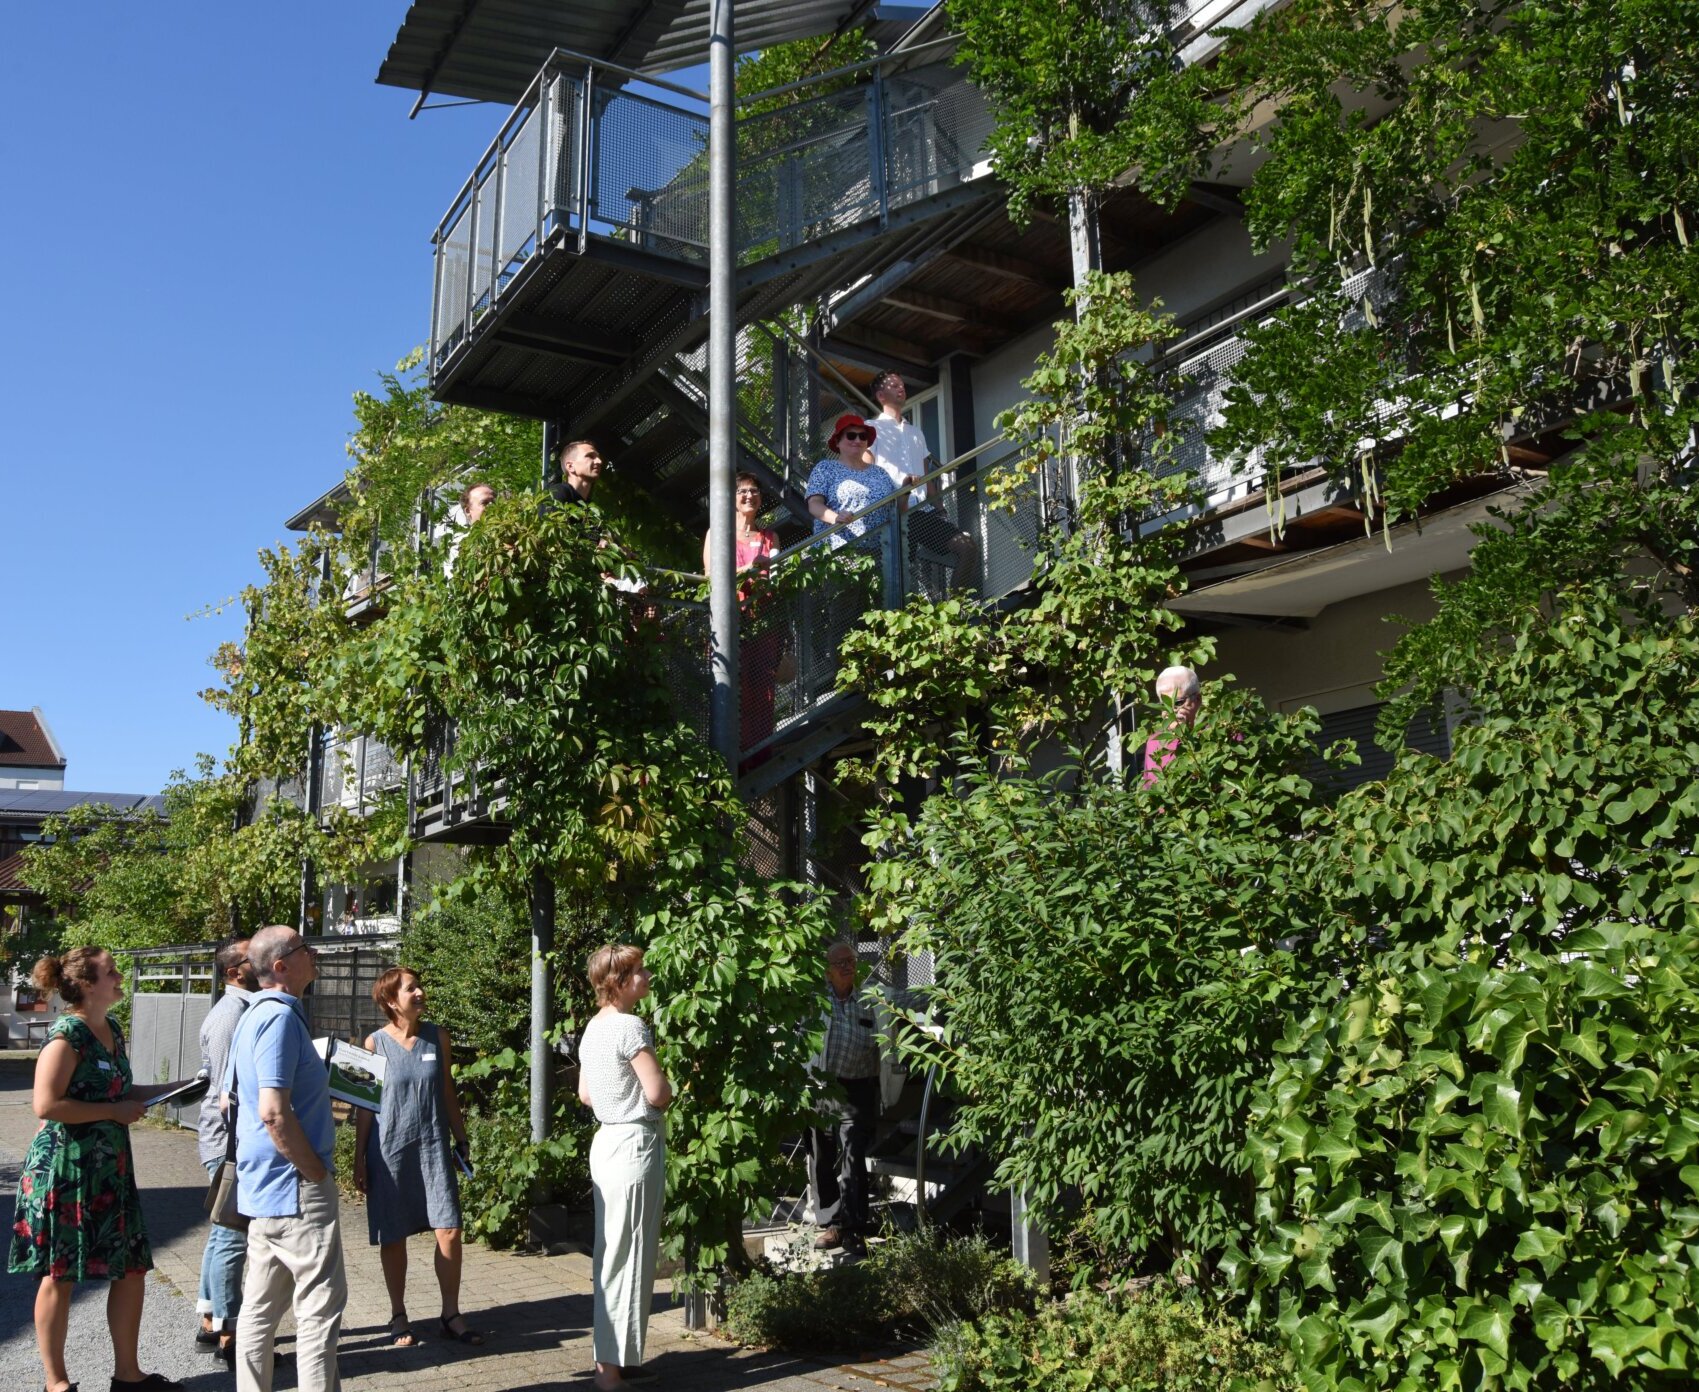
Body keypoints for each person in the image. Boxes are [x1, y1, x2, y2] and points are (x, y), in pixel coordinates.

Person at [8, 947, 193, 1392]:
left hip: (110, 1170)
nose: (118, 976)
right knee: (61, 1275)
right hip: (66, 1171)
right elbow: (46, 1104)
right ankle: (57, 1384)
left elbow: (124, 1092)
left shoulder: (110, 1028)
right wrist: (113, 1113)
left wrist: (182, 1088)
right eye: (110, 972)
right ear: (88, 985)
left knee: (130, 1268)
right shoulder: (67, 1035)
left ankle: (128, 1376)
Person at [228, 925, 346, 1392]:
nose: (313, 952)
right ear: (280, 966)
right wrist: (314, 1171)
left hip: (265, 1186)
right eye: (303, 948)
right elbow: (274, 1112)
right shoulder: (277, 1018)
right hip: (295, 1186)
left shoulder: (252, 1017)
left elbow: (228, 1100)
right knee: (318, 1311)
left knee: (258, 1311)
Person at [353, 967, 480, 1349]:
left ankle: (450, 1314)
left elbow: (446, 1089)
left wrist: (461, 1138)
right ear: (392, 1000)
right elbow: (363, 1104)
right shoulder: (373, 1044)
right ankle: (398, 1314)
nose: (421, 993)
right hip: (389, 1150)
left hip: (432, 1147)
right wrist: (359, 1157)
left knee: (450, 1230)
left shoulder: (437, 1037)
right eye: (412, 989)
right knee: (394, 1235)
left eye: (420, 986)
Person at [578, 945, 672, 1391]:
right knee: (629, 1256)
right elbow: (656, 1093)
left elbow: (586, 1095)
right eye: (637, 971)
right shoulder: (630, 1026)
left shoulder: (592, 1029)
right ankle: (610, 1373)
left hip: (606, 1143)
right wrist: (667, 1084)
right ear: (617, 981)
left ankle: (615, 1360)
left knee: (612, 1254)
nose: (646, 975)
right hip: (635, 1143)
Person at [196, 938, 257, 1366]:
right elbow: (224, 1090)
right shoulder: (229, 1016)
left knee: (223, 1233)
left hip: (232, 1141)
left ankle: (210, 1319)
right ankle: (230, 1333)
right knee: (231, 1236)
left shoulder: (243, 1009)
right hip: (230, 1143)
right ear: (235, 971)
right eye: (251, 955)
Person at [865, 371, 978, 591]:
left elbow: (927, 478)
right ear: (880, 396)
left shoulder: (916, 432)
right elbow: (866, 472)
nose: (901, 388)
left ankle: (953, 611)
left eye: (902, 384)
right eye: (894, 385)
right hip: (891, 514)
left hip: (921, 513)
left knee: (967, 548)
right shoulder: (870, 428)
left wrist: (940, 510)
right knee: (897, 579)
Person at [703, 472, 787, 766]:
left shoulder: (770, 536)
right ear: (733, 499)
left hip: (764, 619)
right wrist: (748, 569)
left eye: (754, 491)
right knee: (729, 685)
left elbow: (777, 579)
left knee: (762, 689)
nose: (749, 496)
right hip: (730, 621)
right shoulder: (718, 533)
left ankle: (759, 754)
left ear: (761, 499)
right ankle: (728, 754)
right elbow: (710, 578)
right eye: (742, 492)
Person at [806, 942, 882, 1257]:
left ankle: (853, 1229)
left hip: (858, 1087)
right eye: (840, 962)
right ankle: (831, 1223)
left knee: (853, 1157)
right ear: (827, 969)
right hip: (822, 1085)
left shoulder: (871, 998)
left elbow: (904, 1001)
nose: (848, 966)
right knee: (822, 1155)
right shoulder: (814, 1000)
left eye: (851, 960)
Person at [804, 416, 899, 552]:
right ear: (837, 442)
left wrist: (907, 488)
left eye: (862, 436)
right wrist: (836, 518)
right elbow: (814, 504)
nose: (857, 440)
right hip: (839, 551)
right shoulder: (825, 468)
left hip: (880, 552)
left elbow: (898, 506)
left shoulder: (880, 472)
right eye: (851, 436)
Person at [1142, 665, 1202, 787]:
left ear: (1198, 699)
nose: (1171, 711)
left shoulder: (1219, 735)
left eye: (1178, 703)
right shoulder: (1154, 743)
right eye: (1164, 705)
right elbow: (1148, 791)